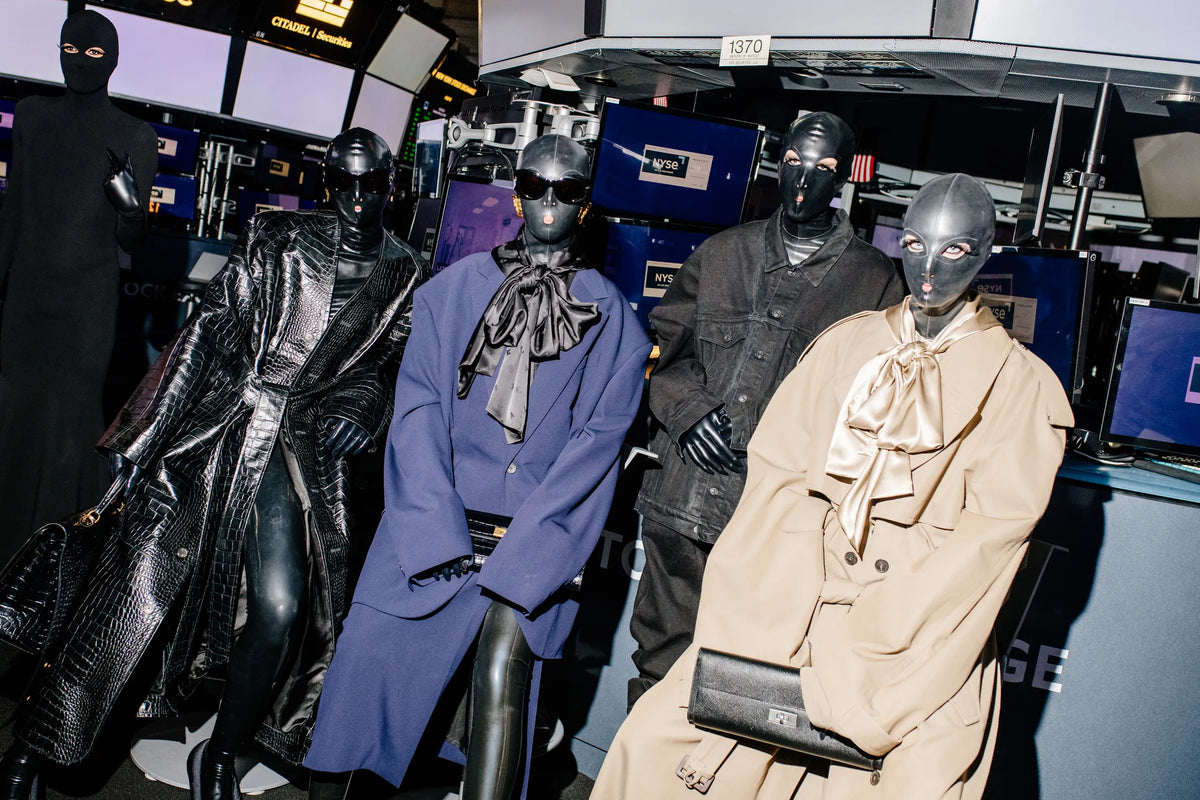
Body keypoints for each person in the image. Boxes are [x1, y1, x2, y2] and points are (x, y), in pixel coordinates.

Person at [592, 173, 1073, 799]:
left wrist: (856, 661)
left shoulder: (1022, 390)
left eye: (954, 249)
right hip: (781, 616)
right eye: (915, 242)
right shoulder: (844, 345)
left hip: (911, 656)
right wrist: (760, 628)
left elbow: (979, 556)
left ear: (985, 253)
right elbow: (775, 491)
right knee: (654, 758)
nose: (928, 268)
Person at [0, 127, 429, 800]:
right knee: (126, 600)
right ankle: (32, 749)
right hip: (213, 435)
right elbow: (207, 331)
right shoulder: (278, 238)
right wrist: (143, 441)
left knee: (286, 611)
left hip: (297, 453)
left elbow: (386, 362)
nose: (352, 199)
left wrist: (365, 403)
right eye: (339, 184)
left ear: (391, 187)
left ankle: (222, 752)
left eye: (368, 185)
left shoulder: (404, 268)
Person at [304, 134, 651, 800]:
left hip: (533, 544)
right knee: (361, 680)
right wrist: (437, 538)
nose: (550, 202)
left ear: (588, 204)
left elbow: (593, 456)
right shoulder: (448, 293)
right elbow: (417, 418)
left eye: (569, 189)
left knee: (503, 682)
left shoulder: (615, 325)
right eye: (536, 184)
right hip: (431, 528)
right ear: (517, 192)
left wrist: (525, 561)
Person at [628, 111, 905, 707]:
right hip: (682, 502)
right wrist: (687, 410)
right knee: (657, 667)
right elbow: (658, 358)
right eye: (794, 164)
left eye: (824, 168)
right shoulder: (722, 254)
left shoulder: (875, 281)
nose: (804, 182)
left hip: (778, 524)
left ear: (847, 177)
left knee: (741, 685)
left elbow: (876, 411)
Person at [0, 9, 158, 566]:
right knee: (14, 416)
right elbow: (13, 211)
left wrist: (132, 211)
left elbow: (132, 241)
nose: (82, 63)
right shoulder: (32, 118)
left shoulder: (136, 135)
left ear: (112, 61)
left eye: (94, 54)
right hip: (24, 303)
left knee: (69, 424)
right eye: (73, 50)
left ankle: (55, 558)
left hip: (87, 309)